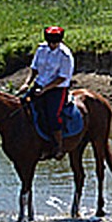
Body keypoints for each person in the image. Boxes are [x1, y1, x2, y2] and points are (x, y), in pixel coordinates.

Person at [21, 26, 74, 159]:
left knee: (52, 115)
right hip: (39, 84)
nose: (52, 45)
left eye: (54, 43)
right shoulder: (41, 49)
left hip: (57, 88)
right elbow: (34, 69)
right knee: (22, 106)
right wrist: (27, 83)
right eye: (50, 42)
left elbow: (62, 77)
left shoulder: (65, 55)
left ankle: (58, 146)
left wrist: (45, 89)